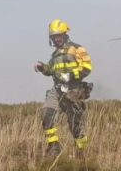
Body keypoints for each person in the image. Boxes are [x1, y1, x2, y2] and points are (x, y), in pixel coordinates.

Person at [34, 19, 93, 156]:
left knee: (75, 126)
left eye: (59, 36)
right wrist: (43, 67)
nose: (57, 39)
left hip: (74, 91)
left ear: (65, 34)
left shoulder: (77, 49)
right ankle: (54, 147)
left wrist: (71, 75)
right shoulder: (55, 55)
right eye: (54, 37)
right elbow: (51, 71)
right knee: (47, 114)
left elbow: (87, 68)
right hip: (58, 90)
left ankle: (82, 152)